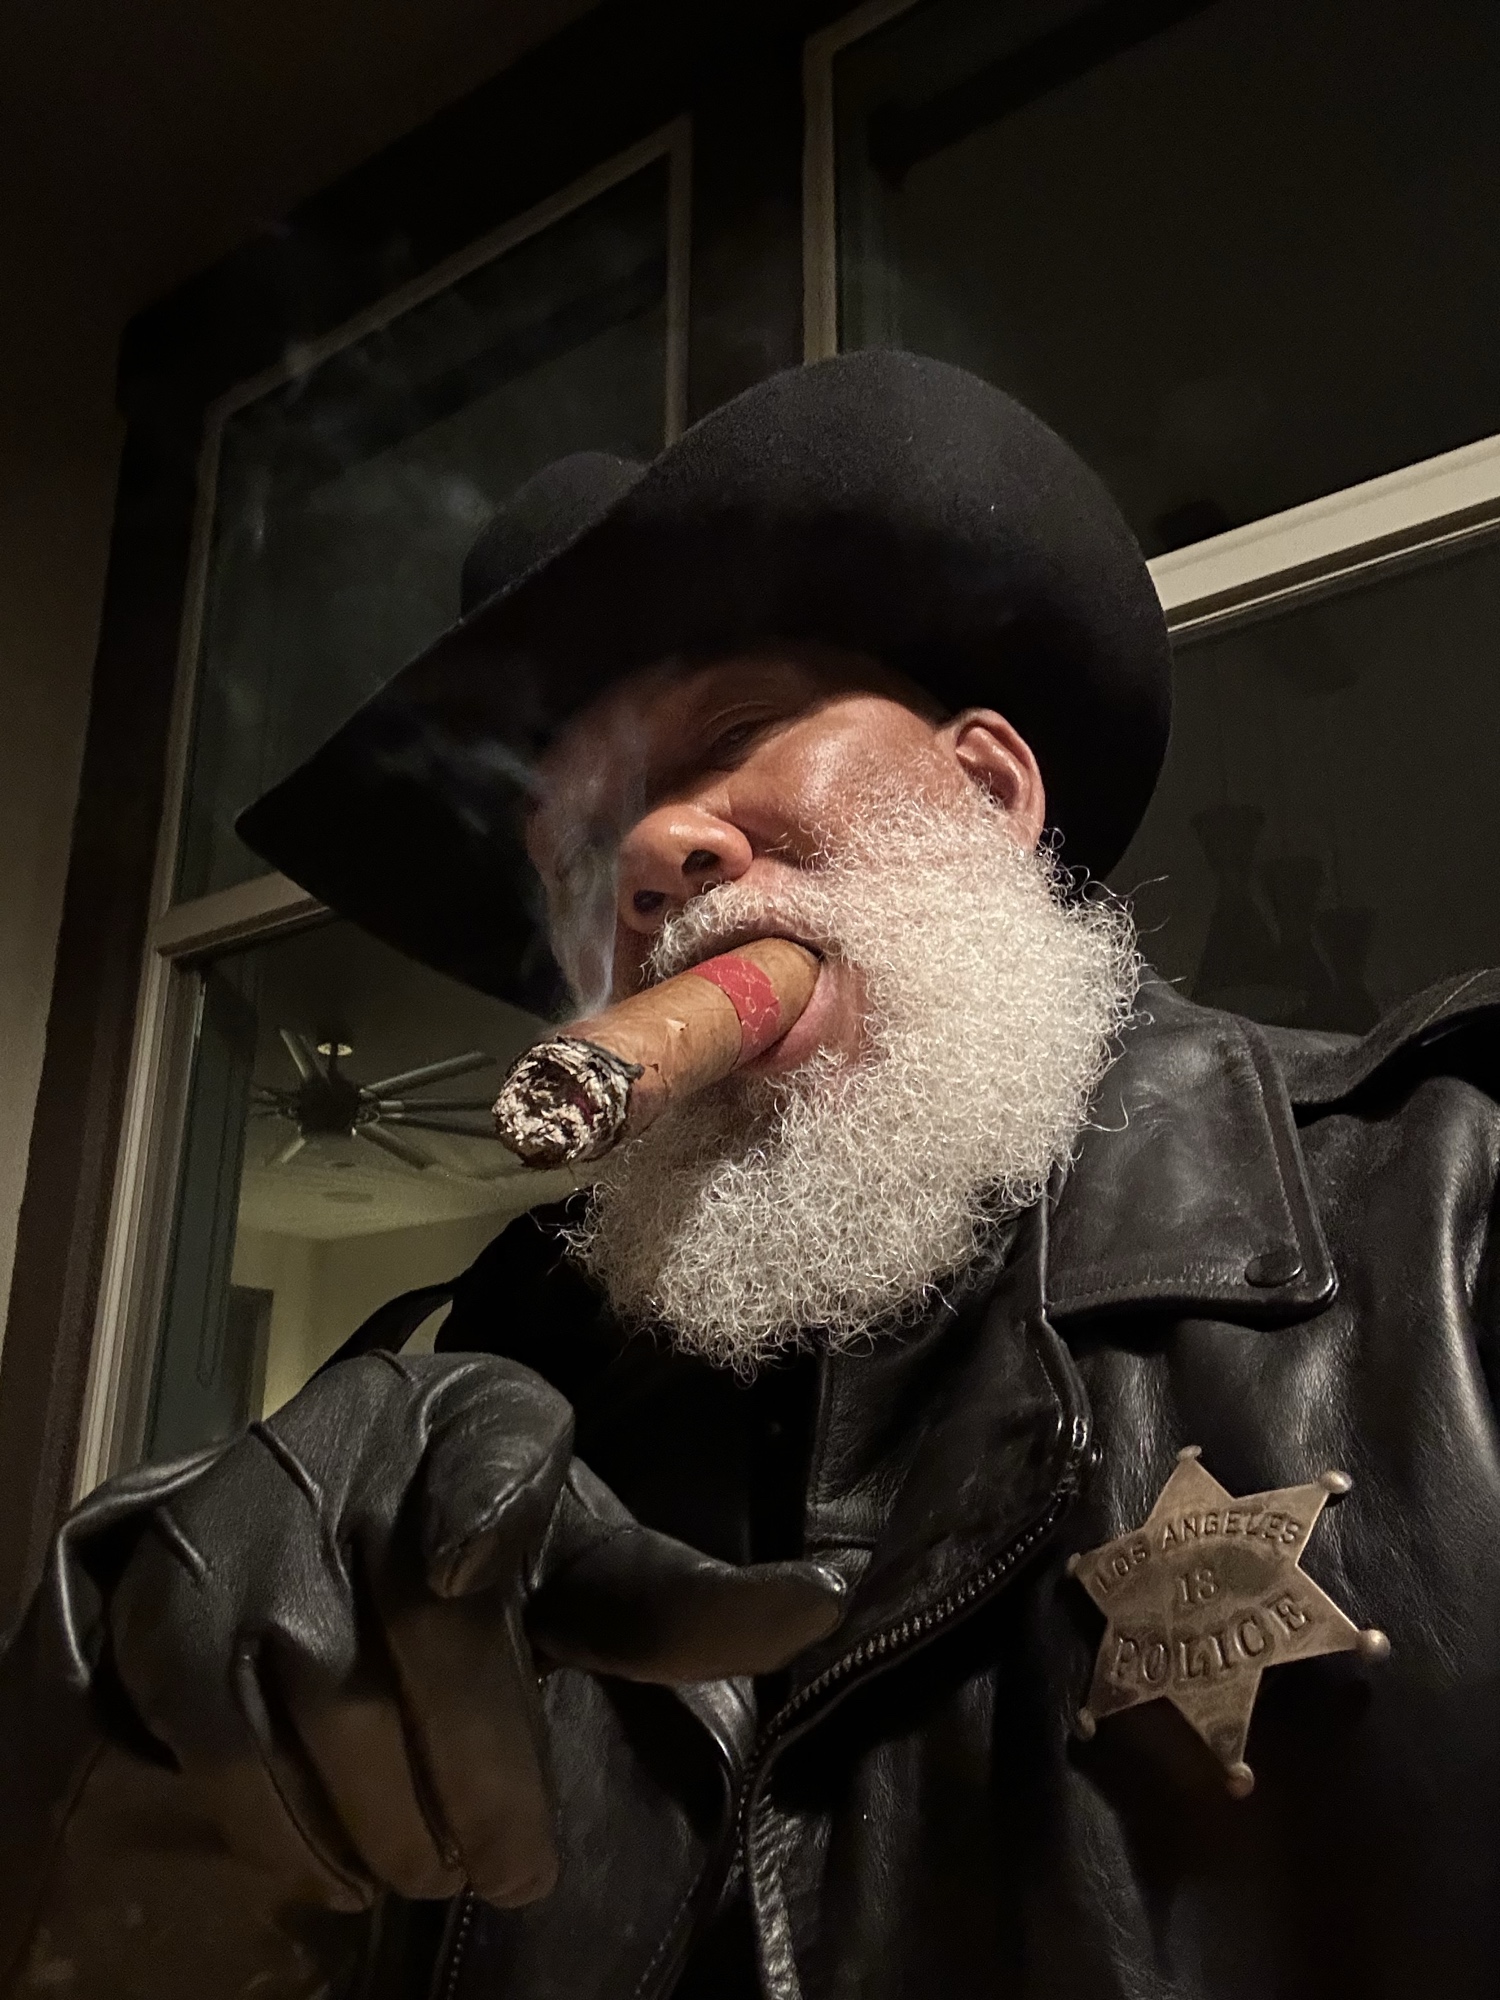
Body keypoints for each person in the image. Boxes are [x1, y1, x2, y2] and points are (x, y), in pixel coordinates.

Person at [3, 351, 1499, 2000]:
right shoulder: (483, 1382)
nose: (654, 854)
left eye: (734, 733)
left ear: (990, 790)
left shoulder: (1453, 1201)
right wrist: (152, 1757)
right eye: (583, 850)